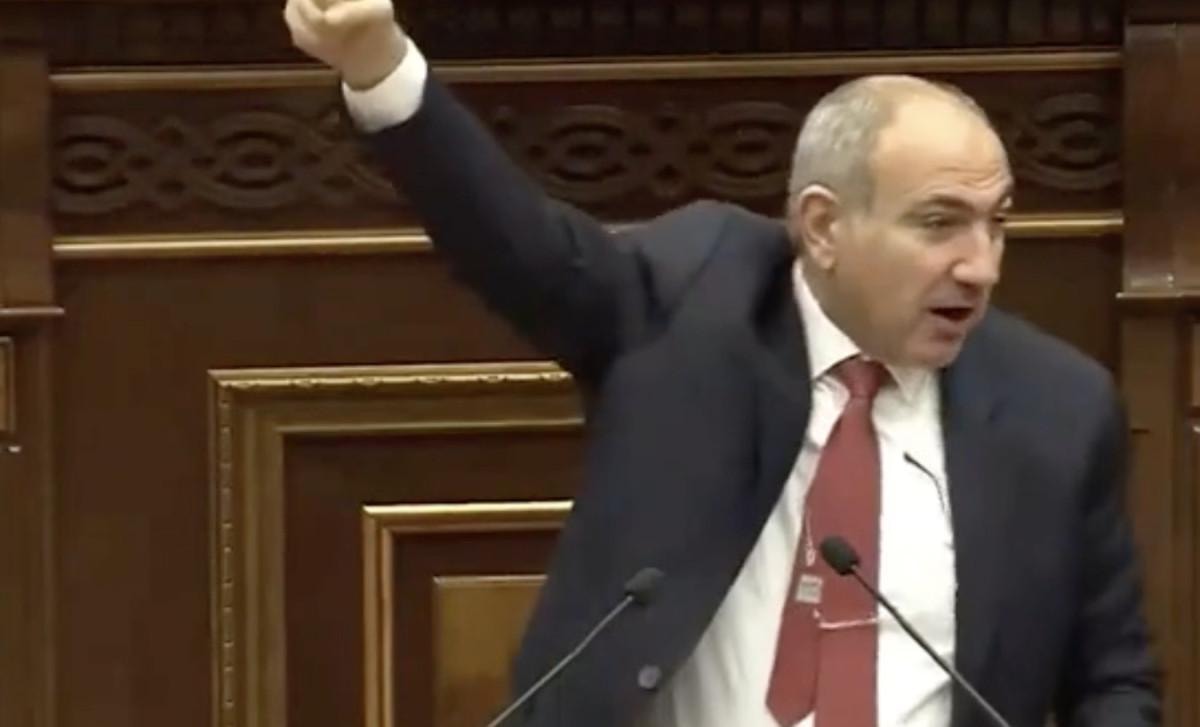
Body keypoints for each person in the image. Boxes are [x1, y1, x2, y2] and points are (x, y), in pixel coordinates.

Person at [283, 1, 1162, 725]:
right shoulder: (693, 304)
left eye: (996, 222)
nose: (980, 265)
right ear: (823, 227)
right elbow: (521, 250)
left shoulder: (1058, 410)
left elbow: (1114, 681)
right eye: (939, 224)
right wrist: (381, 67)